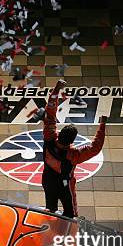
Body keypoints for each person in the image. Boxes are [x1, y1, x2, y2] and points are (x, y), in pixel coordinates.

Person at [42, 79, 107, 218]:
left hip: (47, 181)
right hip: (65, 187)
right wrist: (102, 124)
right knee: (71, 214)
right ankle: (71, 231)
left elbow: (50, 111)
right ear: (73, 141)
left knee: (50, 209)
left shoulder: (49, 137)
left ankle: (50, 223)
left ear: (59, 134)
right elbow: (96, 147)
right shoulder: (74, 155)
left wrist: (57, 89)